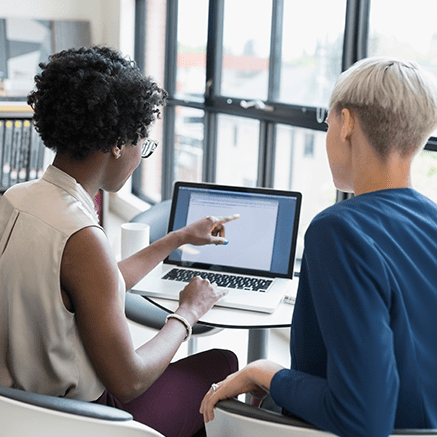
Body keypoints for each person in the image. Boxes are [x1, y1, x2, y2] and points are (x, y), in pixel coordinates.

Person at [0, 46, 239, 437]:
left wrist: (177, 237)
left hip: (17, 412)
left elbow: (97, 283)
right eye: (142, 143)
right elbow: (130, 380)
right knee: (223, 364)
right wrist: (188, 314)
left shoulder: (16, 199)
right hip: (78, 420)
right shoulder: (81, 235)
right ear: (116, 142)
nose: (140, 156)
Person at [200, 57, 437, 437]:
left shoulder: (339, 230)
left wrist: (267, 373)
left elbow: (364, 418)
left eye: (327, 125)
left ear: (347, 124)